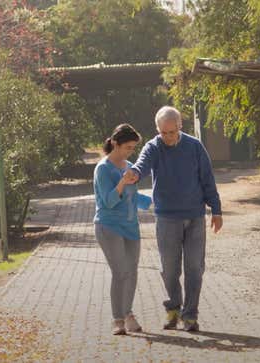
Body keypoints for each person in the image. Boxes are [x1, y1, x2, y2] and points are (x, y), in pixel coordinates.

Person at [125, 106, 222, 332]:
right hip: (167, 217)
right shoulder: (153, 147)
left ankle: (190, 315)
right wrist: (135, 174)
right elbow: (142, 165)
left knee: (194, 268)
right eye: (164, 132)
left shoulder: (194, 146)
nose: (168, 137)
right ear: (158, 129)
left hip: (195, 216)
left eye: (172, 132)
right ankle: (174, 308)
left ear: (180, 126)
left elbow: (208, 179)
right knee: (169, 269)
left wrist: (216, 210)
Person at [93, 123, 152, 335]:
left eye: (133, 148)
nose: (130, 151)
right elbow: (108, 201)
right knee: (120, 272)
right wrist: (122, 182)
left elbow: (133, 197)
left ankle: (128, 314)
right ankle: (118, 320)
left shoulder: (129, 166)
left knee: (132, 271)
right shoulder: (103, 168)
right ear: (115, 144)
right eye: (127, 147)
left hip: (130, 227)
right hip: (108, 226)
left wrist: (156, 202)